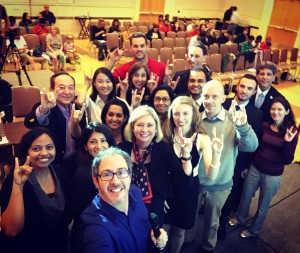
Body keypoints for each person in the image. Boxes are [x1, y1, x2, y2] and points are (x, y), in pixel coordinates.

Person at [185, 80, 258, 252]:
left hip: (220, 185)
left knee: (212, 221)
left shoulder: (234, 120)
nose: (209, 100)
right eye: (206, 96)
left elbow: (251, 146)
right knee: (190, 215)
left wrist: (243, 127)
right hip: (195, 182)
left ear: (224, 98)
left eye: (214, 96)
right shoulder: (195, 119)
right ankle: (187, 241)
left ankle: (207, 247)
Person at [74, 147, 168, 252]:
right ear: (96, 181)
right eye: (107, 174)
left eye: (121, 172)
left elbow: (146, 234)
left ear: (130, 175)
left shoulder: (135, 193)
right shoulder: (94, 228)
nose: (115, 182)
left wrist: (157, 241)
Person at [229, 97, 298, 238]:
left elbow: (287, 160)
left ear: (287, 111)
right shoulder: (265, 125)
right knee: (245, 196)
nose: (276, 112)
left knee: (263, 205)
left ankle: (254, 229)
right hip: (256, 167)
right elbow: (256, 147)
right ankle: (240, 218)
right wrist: (248, 166)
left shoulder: (291, 131)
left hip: (273, 174)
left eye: (280, 109)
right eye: (273, 109)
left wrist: (286, 142)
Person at [163, 96, 224, 253]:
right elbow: (158, 169)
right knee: (162, 228)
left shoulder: (202, 139)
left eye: (185, 114)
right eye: (176, 114)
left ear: (193, 115)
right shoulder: (164, 134)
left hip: (188, 191)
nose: (180, 118)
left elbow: (211, 175)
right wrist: (160, 195)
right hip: (167, 187)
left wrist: (217, 154)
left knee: (180, 231)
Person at [0, 127, 68, 253]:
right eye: (36, 148)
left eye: (49, 147)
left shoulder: (63, 175)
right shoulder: (13, 181)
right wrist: (18, 185)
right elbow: (11, 231)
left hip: (58, 246)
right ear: (26, 152)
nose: (44, 153)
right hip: (25, 248)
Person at [118, 105, 183, 226]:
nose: (144, 129)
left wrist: (164, 196)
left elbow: (179, 177)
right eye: (140, 125)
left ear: (156, 129)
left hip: (154, 204)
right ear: (132, 127)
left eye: (149, 125)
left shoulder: (164, 149)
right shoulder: (122, 149)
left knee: (152, 238)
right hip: (125, 201)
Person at [218, 74, 263, 240]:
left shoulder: (256, 114)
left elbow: (254, 143)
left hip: (237, 161)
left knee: (230, 193)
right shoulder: (223, 102)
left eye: (250, 88)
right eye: (242, 86)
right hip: (216, 155)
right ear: (237, 86)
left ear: (253, 92)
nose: (245, 91)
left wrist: (246, 166)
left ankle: (221, 223)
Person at [24, 71, 86, 186]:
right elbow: (28, 122)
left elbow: (80, 137)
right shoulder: (45, 107)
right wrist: (43, 110)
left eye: (70, 88)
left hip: (75, 162)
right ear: (51, 89)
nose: (67, 92)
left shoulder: (77, 108)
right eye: (61, 88)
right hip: (54, 164)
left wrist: (75, 124)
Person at [68, 122, 115, 252]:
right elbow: (85, 212)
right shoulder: (83, 174)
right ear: (85, 146)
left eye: (103, 140)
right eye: (93, 141)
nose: (99, 146)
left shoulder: (112, 166)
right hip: (91, 232)